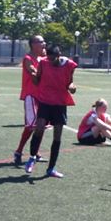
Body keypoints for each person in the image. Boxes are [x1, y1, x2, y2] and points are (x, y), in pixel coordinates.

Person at [25, 43, 77, 178]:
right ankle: (32, 157)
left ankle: (51, 168)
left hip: (60, 103)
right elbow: (37, 81)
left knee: (57, 135)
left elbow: (70, 82)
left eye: (52, 59)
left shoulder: (69, 65)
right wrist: (32, 73)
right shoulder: (44, 63)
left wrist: (72, 87)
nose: (50, 61)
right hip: (45, 100)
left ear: (58, 56)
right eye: (48, 58)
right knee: (39, 127)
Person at [13, 35, 46, 167]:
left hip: (43, 96)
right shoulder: (28, 59)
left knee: (41, 126)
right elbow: (33, 72)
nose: (44, 44)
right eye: (40, 41)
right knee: (31, 126)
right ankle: (19, 151)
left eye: (44, 41)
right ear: (33, 44)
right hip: (31, 96)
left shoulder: (43, 59)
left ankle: (35, 152)